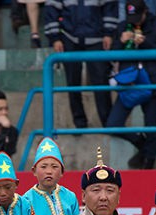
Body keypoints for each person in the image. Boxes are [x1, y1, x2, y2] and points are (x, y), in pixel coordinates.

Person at [105, 0, 156, 170]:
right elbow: (112, 55)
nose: (134, 21)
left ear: (145, 12)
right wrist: (121, 41)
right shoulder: (123, 26)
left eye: (137, 17)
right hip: (130, 82)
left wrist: (145, 42)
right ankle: (141, 143)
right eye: (131, 17)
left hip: (153, 81)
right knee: (113, 124)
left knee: (151, 123)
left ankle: (149, 162)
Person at [43, 0, 115, 128]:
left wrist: (109, 33)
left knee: (101, 81)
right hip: (68, 38)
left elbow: (110, 8)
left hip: (96, 38)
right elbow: (51, 10)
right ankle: (79, 121)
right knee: (73, 81)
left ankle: (108, 122)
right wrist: (55, 38)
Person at [21, 137, 78, 215]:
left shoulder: (70, 197)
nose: (49, 171)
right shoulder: (26, 201)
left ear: (62, 172)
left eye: (54, 167)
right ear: (34, 171)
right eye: (43, 167)